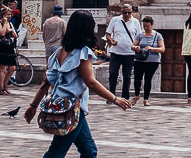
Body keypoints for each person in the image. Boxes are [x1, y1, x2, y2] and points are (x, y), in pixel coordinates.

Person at [25, 10, 132, 157]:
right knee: (56, 152)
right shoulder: (82, 52)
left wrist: (33, 106)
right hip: (71, 107)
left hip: (63, 105)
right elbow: (91, 82)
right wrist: (114, 99)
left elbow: (45, 82)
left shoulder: (59, 52)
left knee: (89, 150)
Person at [105, 3, 141, 101]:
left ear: (131, 12)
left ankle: (125, 97)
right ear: (121, 12)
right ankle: (111, 96)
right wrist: (111, 41)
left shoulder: (135, 22)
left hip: (129, 53)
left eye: (129, 13)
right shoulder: (115, 20)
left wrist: (137, 46)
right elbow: (108, 34)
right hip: (115, 52)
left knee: (127, 76)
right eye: (125, 13)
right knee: (113, 74)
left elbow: (138, 37)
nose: (127, 15)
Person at [131, 15, 164, 106]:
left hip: (153, 61)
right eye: (144, 26)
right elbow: (132, 46)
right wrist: (136, 47)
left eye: (147, 26)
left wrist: (152, 48)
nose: (146, 28)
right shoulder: (140, 35)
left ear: (152, 25)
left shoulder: (158, 36)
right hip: (139, 60)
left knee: (148, 79)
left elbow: (162, 49)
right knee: (137, 78)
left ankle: (146, 99)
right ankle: (136, 95)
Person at [0, 8, 19, 95]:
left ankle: (5, 84)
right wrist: (5, 23)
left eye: (10, 14)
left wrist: (11, 30)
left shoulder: (10, 23)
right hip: (1, 47)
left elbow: (15, 36)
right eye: (7, 14)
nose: (9, 16)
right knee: (2, 67)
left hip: (9, 47)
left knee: (12, 68)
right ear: (3, 15)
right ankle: (1, 88)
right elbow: (2, 33)